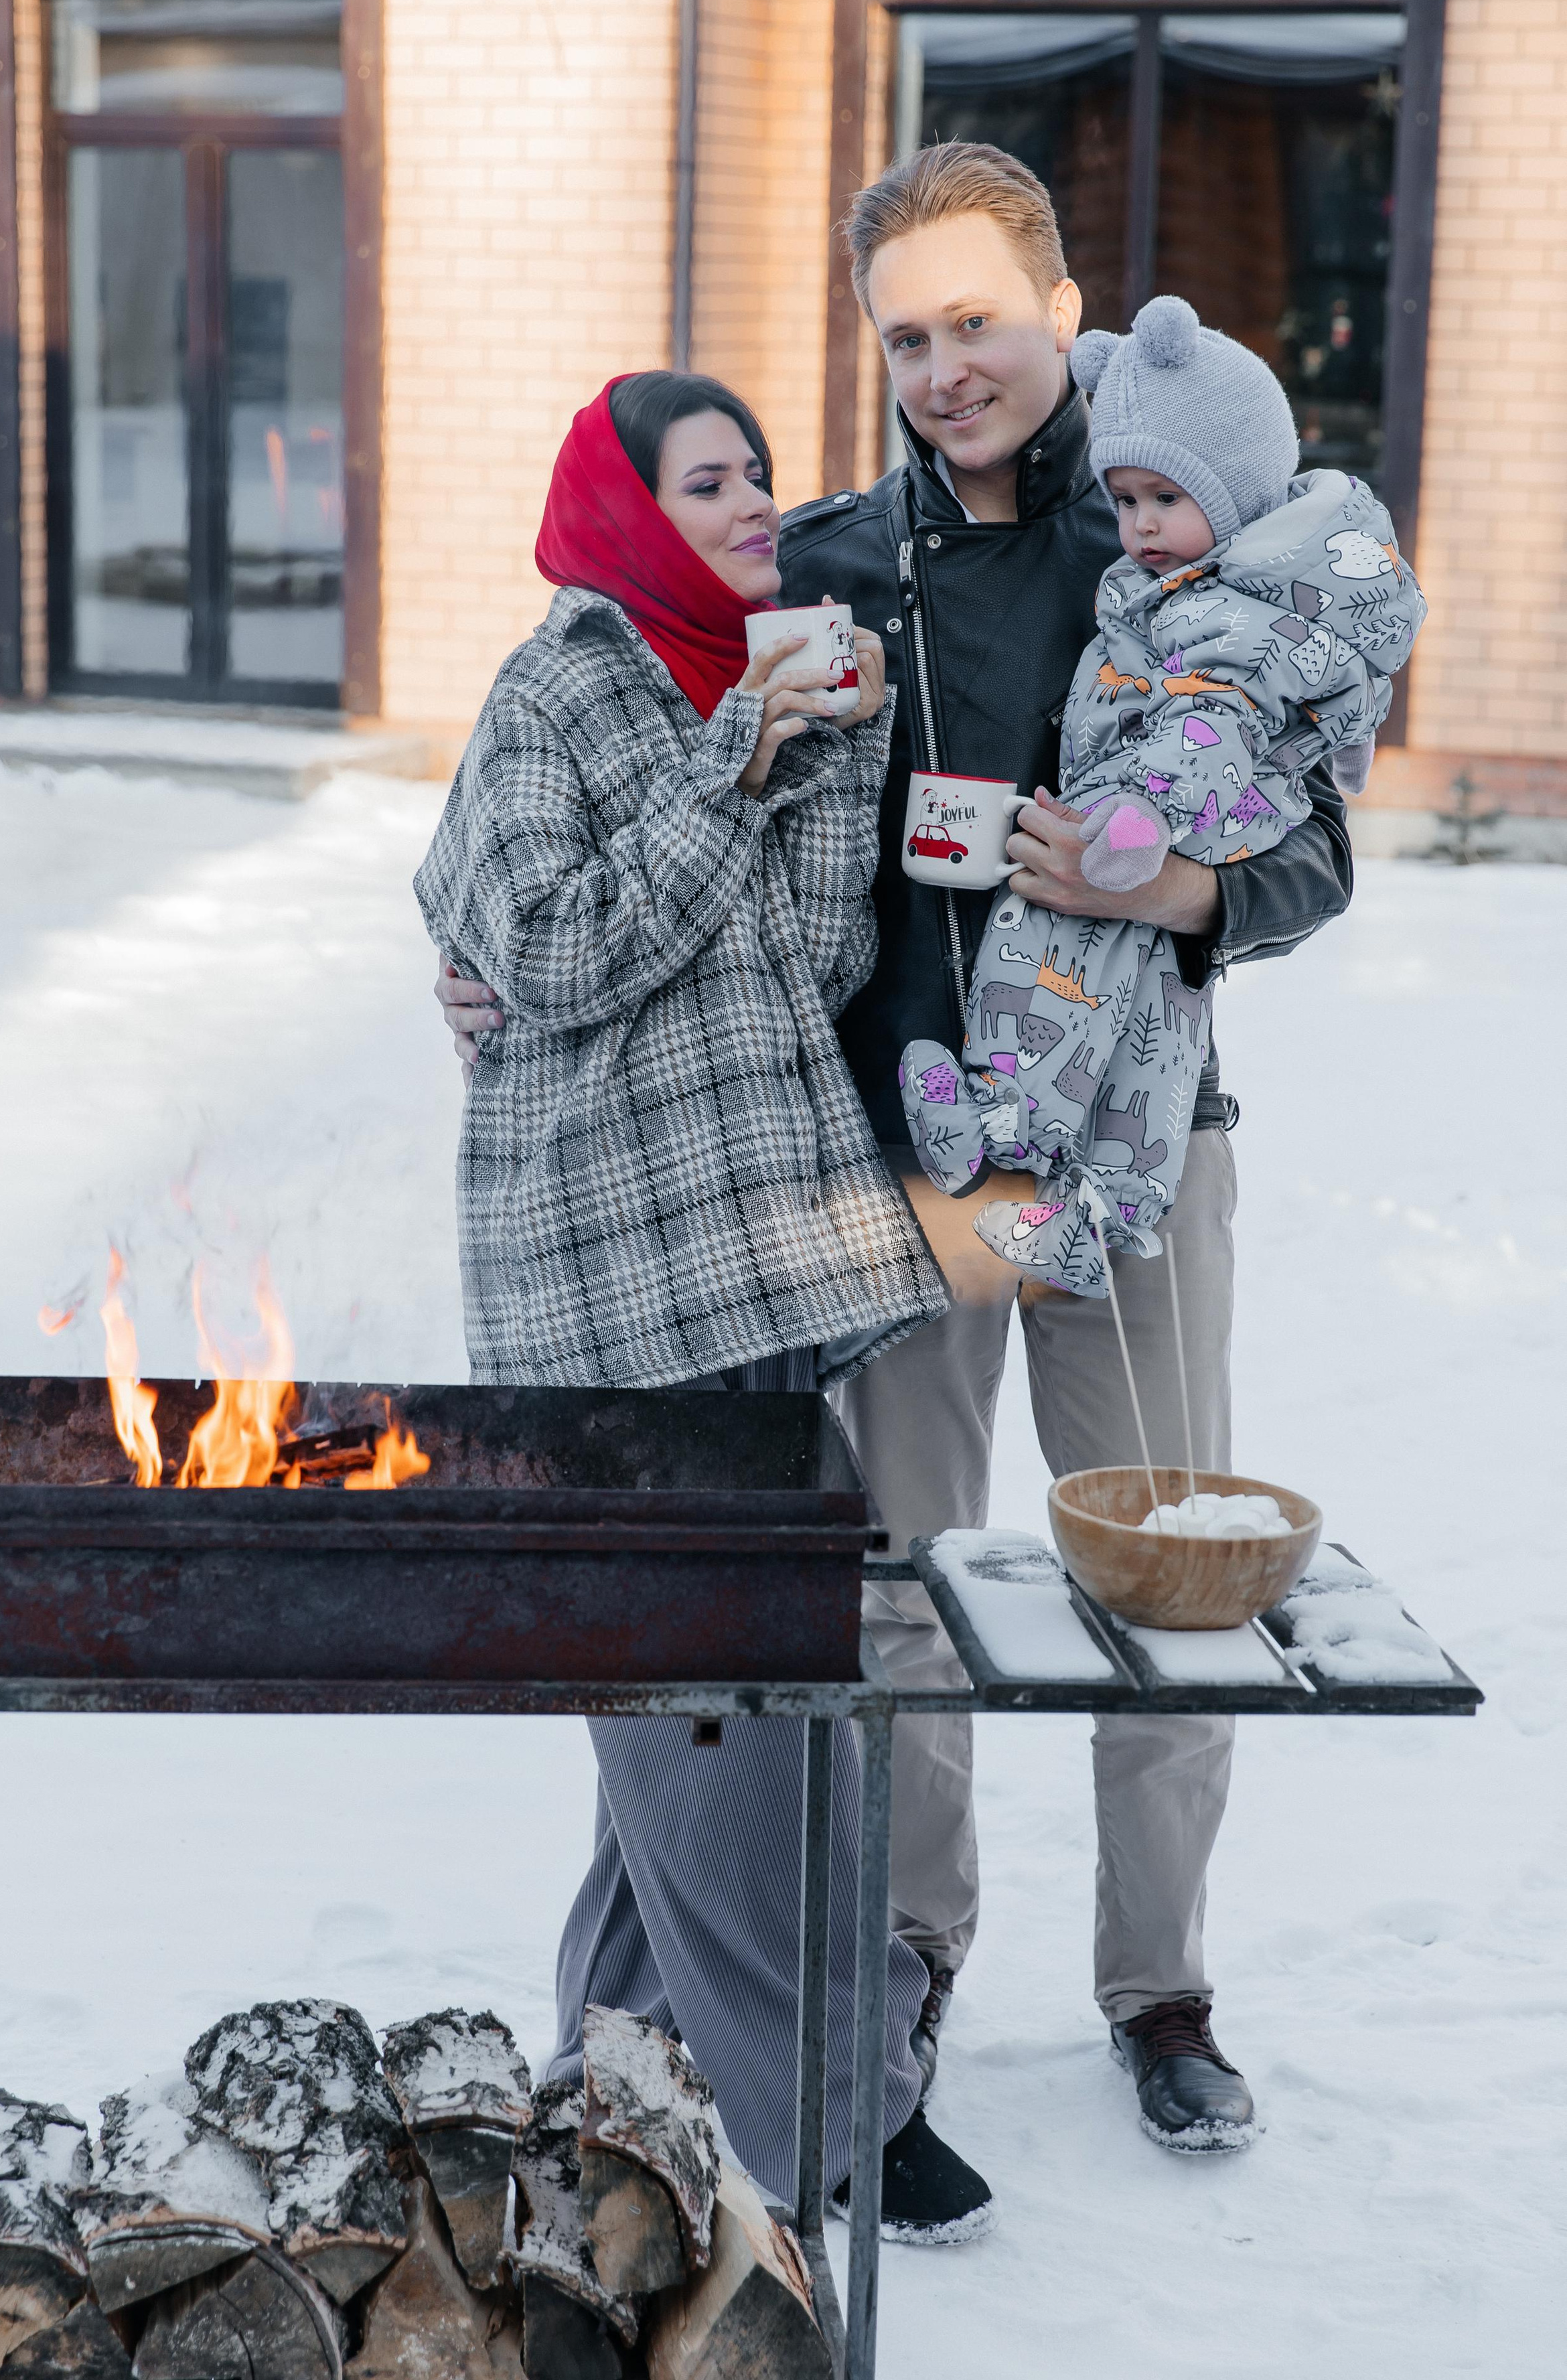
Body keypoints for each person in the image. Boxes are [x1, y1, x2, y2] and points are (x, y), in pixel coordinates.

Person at [435, 149, 1357, 2154]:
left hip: (1138, 1148)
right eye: (907, 337)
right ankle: (915, 1947)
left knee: (1168, 1572)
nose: (947, 370)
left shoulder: (1176, 537)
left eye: (979, 324)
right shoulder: (828, 566)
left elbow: (1314, 848)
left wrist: (1176, 887)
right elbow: (625, 771)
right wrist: (474, 957)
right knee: (907, 1588)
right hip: (894, 1179)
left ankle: (1161, 1983)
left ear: (1060, 310)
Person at [415, 370, 992, 2239]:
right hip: (608, 1296)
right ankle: (836, 2112)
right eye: (708, 482)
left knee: (684, 1706)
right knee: (719, 1730)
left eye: (757, 475)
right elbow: (554, 952)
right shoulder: (555, 695)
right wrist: (732, 754)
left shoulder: (748, 676)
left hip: (749, 1267)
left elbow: (804, 963)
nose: (755, 506)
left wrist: (820, 765)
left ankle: (613, 2070)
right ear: (623, 511)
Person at [901, 293, 1425, 1295]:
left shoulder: (1220, 597)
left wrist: (1158, 859)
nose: (1141, 526)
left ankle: (1045, 1157)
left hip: (1151, 902)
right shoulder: (846, 555)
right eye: (909, 338)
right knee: (1151, 1023)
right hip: (930, 1106)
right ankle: (1042, 1164)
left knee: (1054, 951)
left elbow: (1272, 799)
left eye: (975, 325)